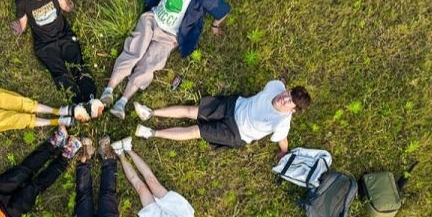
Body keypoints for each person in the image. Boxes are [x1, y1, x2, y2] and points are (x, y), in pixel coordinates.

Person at [100, 0, 229, 119]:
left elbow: (224, 11)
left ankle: (122, 102)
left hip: (169, 37)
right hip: (152, 20)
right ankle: (109, 89)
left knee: (150, 64)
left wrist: (215, 26)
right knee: (135, 50)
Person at [12, 0, 103, 122]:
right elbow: (23, 23)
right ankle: (77, 104)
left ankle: (91, 98)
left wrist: (70, 6)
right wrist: (20, 29)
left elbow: (64, 5)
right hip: (44, 45)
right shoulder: (22, 2)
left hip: (64, 35)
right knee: (59, 72)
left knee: (77, 64)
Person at [133, 80, 312, 157]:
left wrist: (284, 152)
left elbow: (282, 139)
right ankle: (151, 113)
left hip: (235, 133)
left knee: (195, 131)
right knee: (191, 111)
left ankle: (152, 133)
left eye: (290, 101)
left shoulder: (281, 123)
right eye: (288, 93)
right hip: (233, 106)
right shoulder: (276, 85)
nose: (284, 98)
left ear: (293, 110)